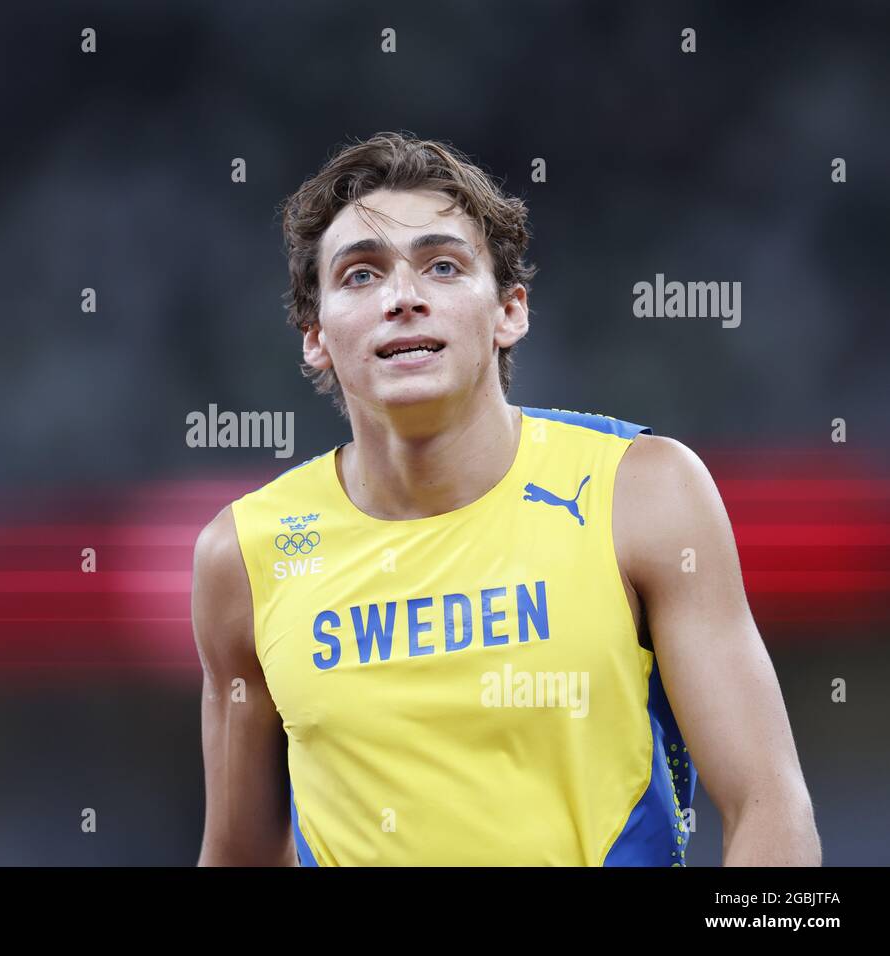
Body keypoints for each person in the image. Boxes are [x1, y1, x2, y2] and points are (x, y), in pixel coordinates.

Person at [192, 131, 820, 866]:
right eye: (361, 276)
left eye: (443, 266)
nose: (403, 298)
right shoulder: (245, 555)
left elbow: (768, 806)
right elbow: (238, 856)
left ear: (509, 312)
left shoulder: (643, 492)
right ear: (315, 337)